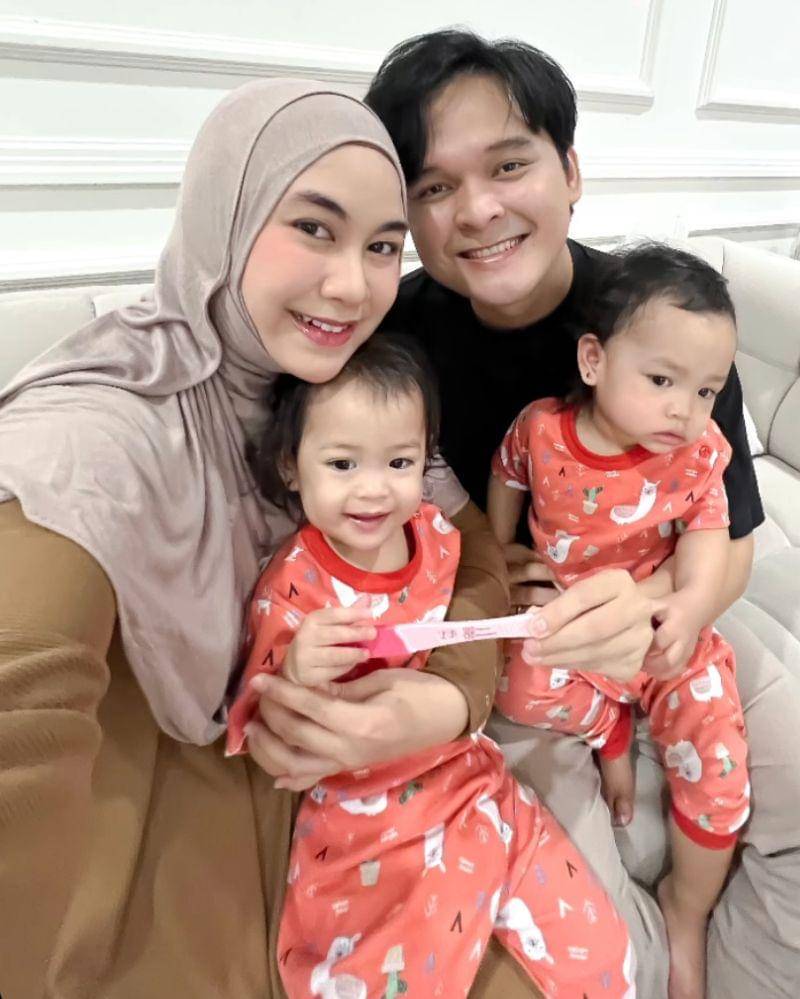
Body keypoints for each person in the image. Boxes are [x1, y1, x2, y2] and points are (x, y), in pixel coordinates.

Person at [0, 81, 517, 998]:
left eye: (383, 246)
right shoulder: (106, 424)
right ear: (224, 219)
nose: (352, 286)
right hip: (172, 865)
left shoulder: (349, 392)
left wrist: (446, 700)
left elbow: (473, 550)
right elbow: (22, 700)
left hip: (367, 820)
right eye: (313, 228)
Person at [366, 29, 800, 999]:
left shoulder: (665, 320)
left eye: (507, 165)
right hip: (519, 646)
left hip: (667, 606)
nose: (477, 210)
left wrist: (659, 606)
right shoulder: (393, 341)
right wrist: (490, 562)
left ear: (568, 171)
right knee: (588, 932)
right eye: (434, 186)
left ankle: (710, 945)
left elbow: (731, 541)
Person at [226, 334, 633, 999]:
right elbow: (262, 716)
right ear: (291, 467)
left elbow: (480, 603)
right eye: (342, 463)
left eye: (399, 461)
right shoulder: (293, 585)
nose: (373, 489)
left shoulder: (437, 536)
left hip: (473, 781)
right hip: (364, 815)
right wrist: (298, 671)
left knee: (602, 951)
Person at [488, 243, 750, 999]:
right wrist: (501, 552)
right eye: (662, 380)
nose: (685, 409)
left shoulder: (699, 451)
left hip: (660, 630)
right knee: (516, 689)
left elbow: (709, 529)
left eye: (706, 389)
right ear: (594, 360)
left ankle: (686, 910)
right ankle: (606, 727)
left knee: (720, 760)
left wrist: (688, 608)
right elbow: (506, 474)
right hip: (569, 626)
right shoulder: (543, 430)